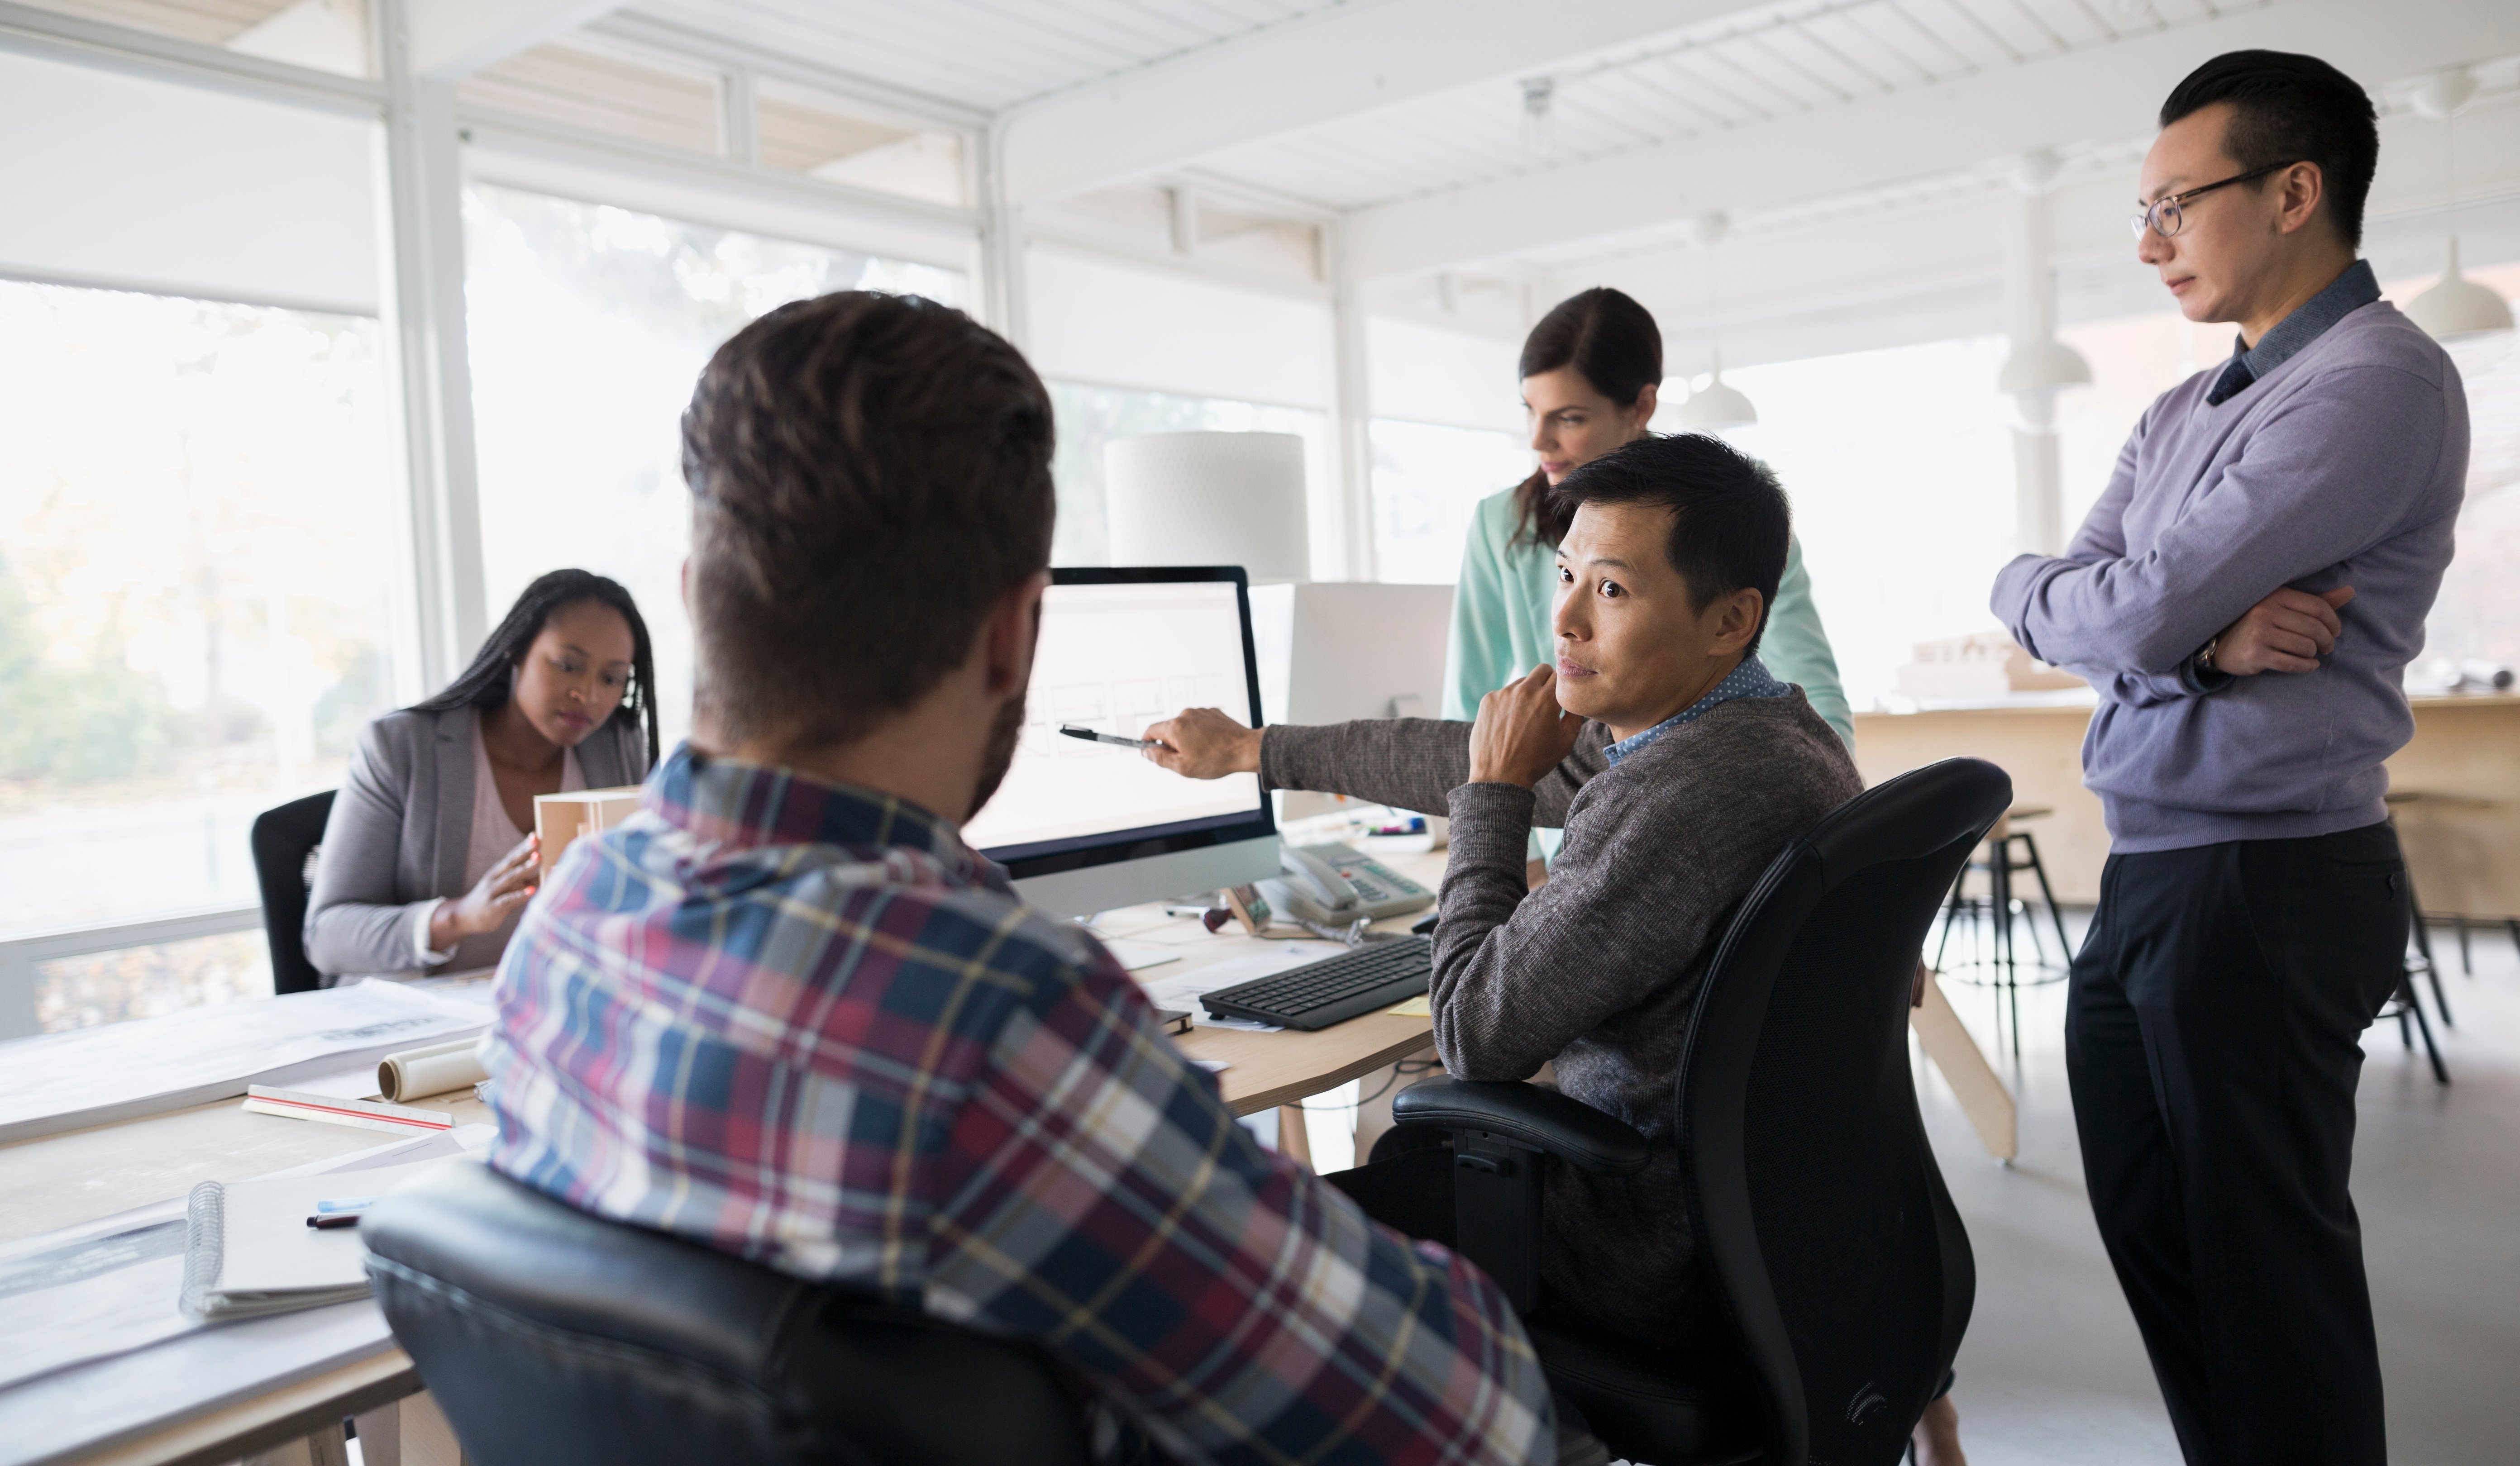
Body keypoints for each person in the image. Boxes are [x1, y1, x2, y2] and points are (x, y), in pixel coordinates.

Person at [478, 292, 1556, 1465]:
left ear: (692, 594)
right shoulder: (993, 1014)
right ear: (1016, 635)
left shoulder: (568, 922)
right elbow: (1472, 1422)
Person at [1150, 434, 1968, 1466]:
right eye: (1564, 574)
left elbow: (1472, 1032)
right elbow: (1471, 747)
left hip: (1635, 1249)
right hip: (1775, 1228)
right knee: (1408, 1157)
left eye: (1611, 588)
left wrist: (1490, 804)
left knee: (1260, 1253)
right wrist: (1253, 749)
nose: (1565, 618)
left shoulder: (1681, 795)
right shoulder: (1761, 727)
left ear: (1730, 617)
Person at [1990, 50, 2467, 1466]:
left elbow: (2112, 605)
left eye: (2174, 207)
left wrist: (2128, 617)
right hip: (2149, 873)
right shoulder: (2181, 410)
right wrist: (2193, 645)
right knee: (2160, 1241)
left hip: (2271, 880)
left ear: (2294, 192)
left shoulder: (2376, 381)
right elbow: (2054, 598)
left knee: (2268, 1277)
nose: (2150, 245)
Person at [1446, 286, 1853, 750]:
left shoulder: (1729, 507)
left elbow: (1811, 683)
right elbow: (1467, 707)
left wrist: (1831, 804)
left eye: (1570, 418)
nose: (1538, 440)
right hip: (1559, 810)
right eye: (1531, 412)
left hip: (1698, 792)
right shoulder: (1500, 521)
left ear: (1641, 407)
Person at [305, 569, 656, 981]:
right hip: (419, 1021)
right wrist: (458, 917)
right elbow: (326, 936)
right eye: (567, 665)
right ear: (517, 650)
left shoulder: (619, 749)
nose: (589, 694)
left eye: (612, 678)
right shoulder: (401, 747)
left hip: (552, 1009)